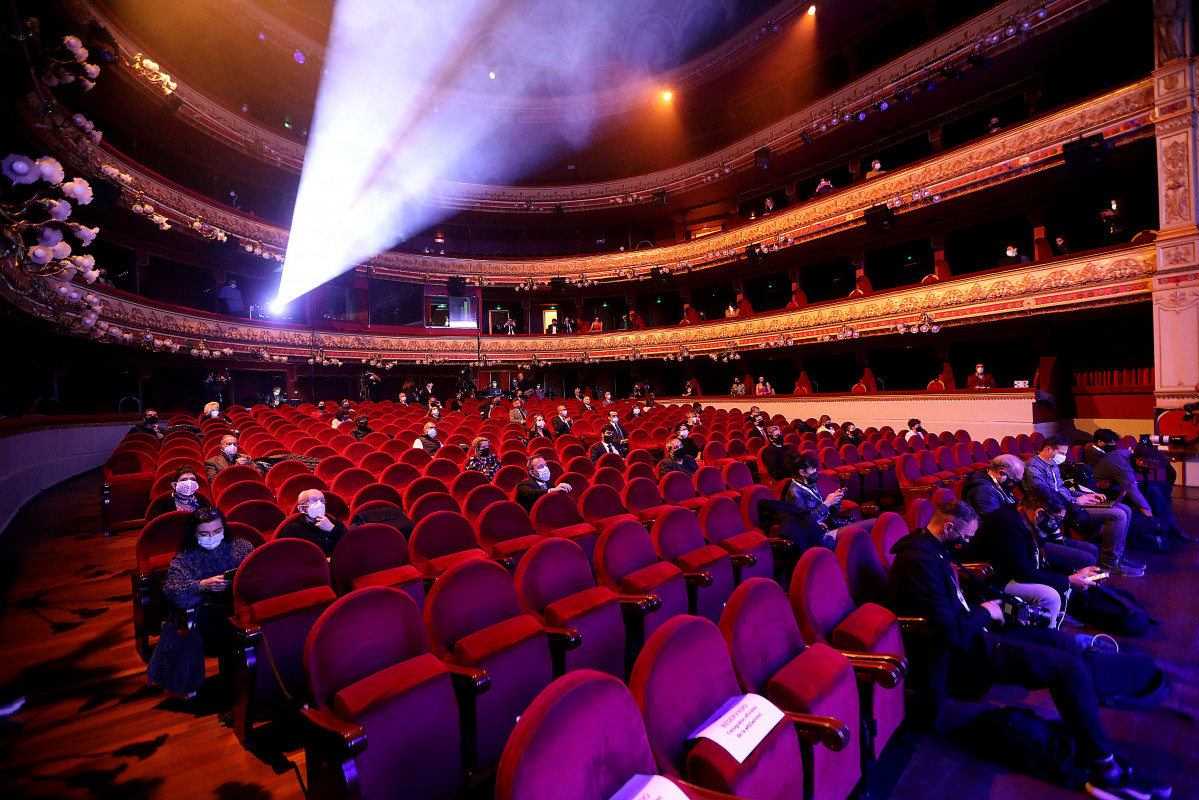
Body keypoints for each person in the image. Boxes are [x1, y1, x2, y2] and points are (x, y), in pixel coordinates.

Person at [888, 500, 1171, 800]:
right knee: (1067, 669)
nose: (969, 544)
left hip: (980, 634)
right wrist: (987, 612)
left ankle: (1083, 714)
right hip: (965, 654)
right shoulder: (919, 561)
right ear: (948, 528)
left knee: (1062, 643)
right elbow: (949, 632)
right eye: (967, 538)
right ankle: (1105, 770)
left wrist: (998, 609)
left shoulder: (934, 550)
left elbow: (958, 607)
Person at [971, 489, 1106, 624]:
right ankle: (1048, 635)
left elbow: (1040, 557)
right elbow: (1024, 573)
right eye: (1057, 519)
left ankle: (1058, 615)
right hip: (988, 578)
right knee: (1050, 597)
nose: (1058, 525)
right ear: (1040, 513)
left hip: (1011, 570)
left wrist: (1074, 573)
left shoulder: (1025, 517)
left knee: (1070, 570)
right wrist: (1069, 580)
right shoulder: (1007, 526)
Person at [1024, 436, 1138, 576]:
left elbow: (1062, 489)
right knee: (1117, 515)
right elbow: (1045, 495)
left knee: (1126, 510)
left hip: (1068, 503)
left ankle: (1118, 557)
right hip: (1056, 510)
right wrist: (1078, 501)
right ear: (1048, 450)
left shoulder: (1051, 465)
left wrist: (1083, 495)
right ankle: (1109, 561)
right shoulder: (1033, 467)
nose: (1064, 457)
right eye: (1062, 453)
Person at [163, 507, 253, 657]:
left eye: (217, 531)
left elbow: (258, 572)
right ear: (194, 534)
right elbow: (172, 591)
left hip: (241, 604)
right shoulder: (185, 558)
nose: (212, 537)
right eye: (204, 534)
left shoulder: (241, 547)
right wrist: (202, 585)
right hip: (210, 612)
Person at [1089, 431, 1187, 543]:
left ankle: (1172, 526)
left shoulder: (1127, 455)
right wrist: (1148, 514)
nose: (1152, 470)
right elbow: (1133, 492)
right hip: (1102, 492)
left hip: (1117, 485)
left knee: (1153, 490)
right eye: (1151, 466)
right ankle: (1158, 528)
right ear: (1140, 461)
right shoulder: (1122, 463)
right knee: (1144, 498)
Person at [765, 455, 848, 552]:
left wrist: (835, 501)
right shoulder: (794, 492)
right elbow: (805, 520)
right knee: (855, 534)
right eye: (813, 469)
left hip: (828, 526)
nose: (816, 472)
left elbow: (829, 513)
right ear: (802, 472)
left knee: (859, 532)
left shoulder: (812, 485)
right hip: (818, 536)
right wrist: (827, 504)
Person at [277, 490, 347, 555]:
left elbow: (351, 543)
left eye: (322, 500)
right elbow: (291, 556)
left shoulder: (334, 522)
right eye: (313, 500)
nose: (320, 504)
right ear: (302, 508)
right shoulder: (292, 530)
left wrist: (331, 529)